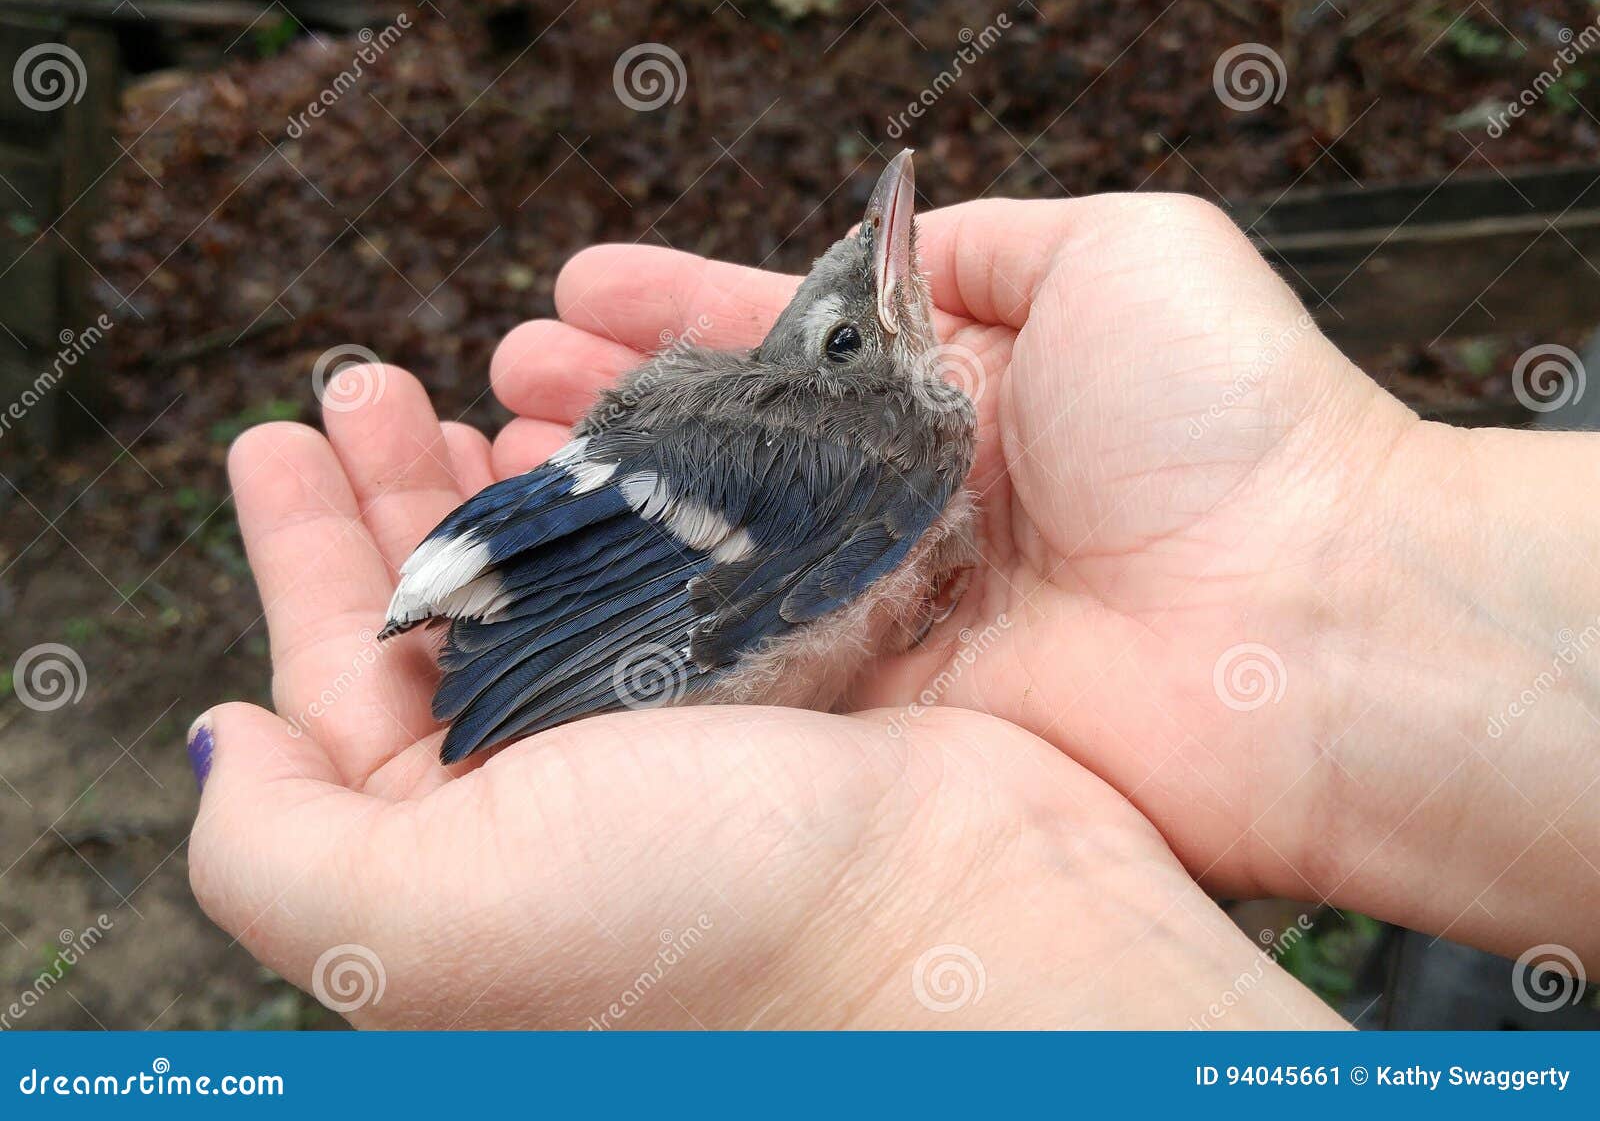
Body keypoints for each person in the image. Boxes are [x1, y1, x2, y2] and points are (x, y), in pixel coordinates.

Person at [186, 194, 1600, 1028]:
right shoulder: (871, 441)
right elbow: (666, 584)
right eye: (853, 332)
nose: (883, 319)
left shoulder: (884, 432)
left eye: (852, 323)